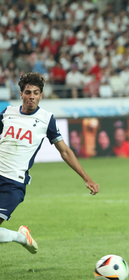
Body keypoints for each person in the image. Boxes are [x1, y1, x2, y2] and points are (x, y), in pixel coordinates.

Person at [0, 72, 99, 254]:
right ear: (21, 94)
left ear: (41, 95)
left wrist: (86, 177)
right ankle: (23, 237)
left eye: (36, 93)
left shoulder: (46, 119)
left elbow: (65, 151)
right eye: (28, 92)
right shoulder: (7, 113)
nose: (32, 97)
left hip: (13, 183)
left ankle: (21, 237)